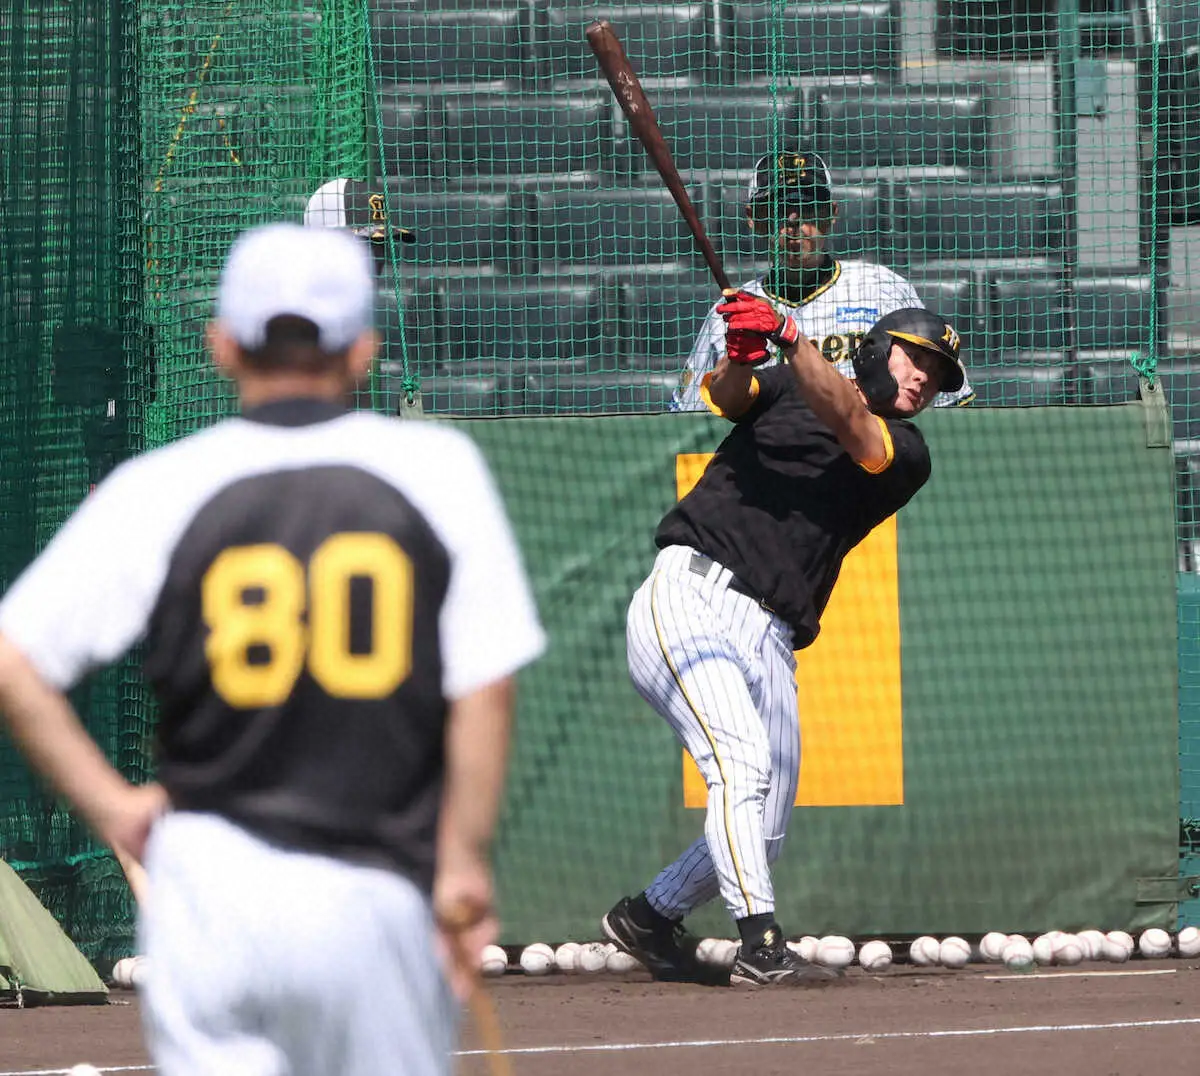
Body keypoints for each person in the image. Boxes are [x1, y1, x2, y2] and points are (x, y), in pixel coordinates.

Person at [0, 222, 545, 1073]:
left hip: (211, 895)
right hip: (375, 887)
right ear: (362, 349)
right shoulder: (438, 469)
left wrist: (113, 807)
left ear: (221, 346)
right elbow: (485, 687)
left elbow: (13, 660)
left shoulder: (162, 485)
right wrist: (463, 862)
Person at [603, 293, 966, 986]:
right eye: (915, 358)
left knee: (766, 823)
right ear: (875, 349)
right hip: (691, 595)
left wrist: (792, 336)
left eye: (939, 375)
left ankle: (648, 916)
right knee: (740, 768)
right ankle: (762, 947)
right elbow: (729, 396)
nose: (925, 378)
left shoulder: (907, 452)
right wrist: (743, 357)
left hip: (771, 634)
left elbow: (851, 420)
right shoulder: (789, 385)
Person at [672, 150, 974, 411]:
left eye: (809, 208)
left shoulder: (883, 288)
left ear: (831, 214)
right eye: (778, 210)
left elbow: (952, 401)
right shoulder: (732, 311)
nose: (794, 223)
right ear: (754, 219)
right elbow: (687, 414)